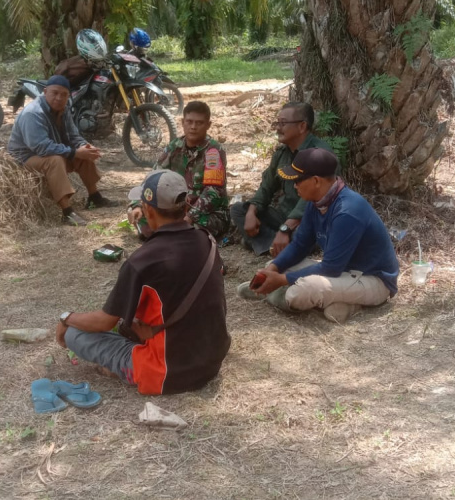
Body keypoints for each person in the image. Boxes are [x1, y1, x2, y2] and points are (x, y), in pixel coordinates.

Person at [56, 170, 230, 395]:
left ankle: (127, 369)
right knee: (132, 321)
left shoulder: (142, 260)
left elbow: (104, 323)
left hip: (167, 373)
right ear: (186, 206)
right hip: (210, 362)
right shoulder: (208, 242)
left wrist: (66, 318)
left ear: (148, 211)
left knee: (74, 334)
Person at [237, 148, 399, 324]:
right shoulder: (316, 202)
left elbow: (331, 268)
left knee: (302, 291)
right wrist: (273, 270)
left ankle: (276, 294)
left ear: (315, 181)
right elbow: (300, 245)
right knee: (274, 265)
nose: (294, 185)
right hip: (344, 273)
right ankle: (344, 304)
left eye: (298, 180)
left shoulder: (348, 211)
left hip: (373, 280)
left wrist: (281, 281)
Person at [7, 75, 116, 226]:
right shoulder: (32, 113)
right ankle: (67, 212)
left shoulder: (63, 109)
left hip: (47, 152)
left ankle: (94, 197)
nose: (59, 98)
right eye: (55, 93)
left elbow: (73, 136)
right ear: (45, 92)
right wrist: (74, 152)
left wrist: (85, 147)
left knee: (83, 151)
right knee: (55, 160)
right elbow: (41, 147)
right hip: (24, 159)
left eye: (64, 95)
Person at [230, 102, 335, 256]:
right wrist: (252, 212)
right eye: (277, 123)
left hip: (309, 219)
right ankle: (275, 245)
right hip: (282, 216)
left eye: (283, 123)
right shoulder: (281, 154)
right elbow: (266, 187)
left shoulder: (320, 154)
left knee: (307, 232)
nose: (278, 128)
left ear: (302, 126)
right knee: (238, 210)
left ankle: (274, 243)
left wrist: (286, 228)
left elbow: (310, 201)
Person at [127, 101, 229, 239]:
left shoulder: (213, 151)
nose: (193, 127)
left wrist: (190, 217)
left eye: (199, 123)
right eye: (189, 121)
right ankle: (170, 233)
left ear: (208, 125)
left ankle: (170, 234)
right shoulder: (174, 147)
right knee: (144, 222)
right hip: (177, 210)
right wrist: (138, 205)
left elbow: (213, 191)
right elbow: (153, 177)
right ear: (182, 122)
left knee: (193, 231)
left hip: (206, 214)